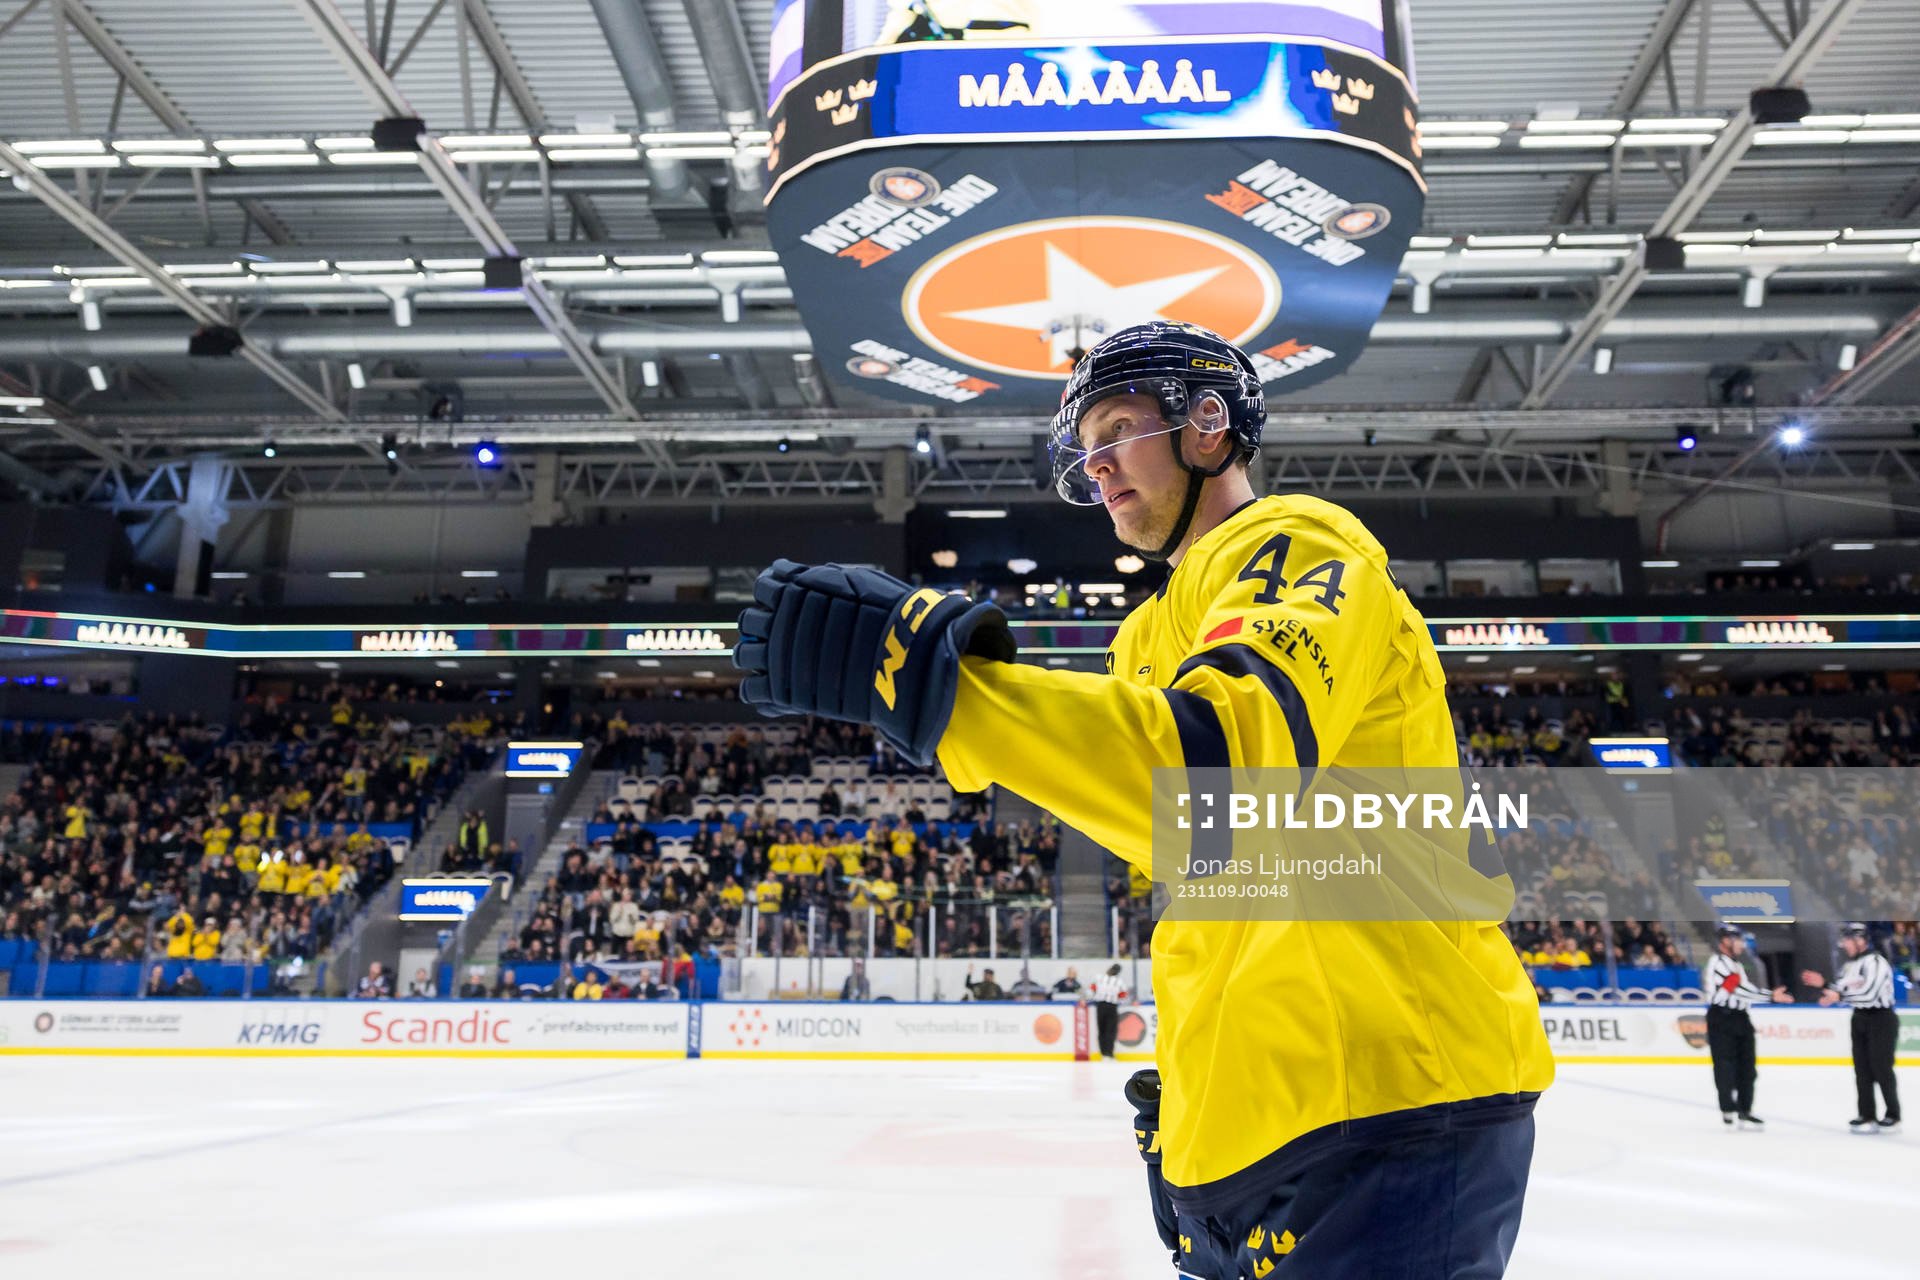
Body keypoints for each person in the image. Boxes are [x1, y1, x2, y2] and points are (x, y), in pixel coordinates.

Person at [731, 321, 1552, 1278]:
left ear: (1209, 423)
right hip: (1271, 1128)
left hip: (1396, 1100)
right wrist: (1211, 1083)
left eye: (1118, 429)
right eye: (1087, 450)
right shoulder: (1149, 634)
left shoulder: (1297, 542)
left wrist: (950, 692)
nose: (1101, 467)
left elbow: (1224, 782)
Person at [1803, 923, 1901, 1133]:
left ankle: (1893, 1115)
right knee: (1862, 1069)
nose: (1844, 945)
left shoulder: (1876, 962)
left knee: (1882, 1068)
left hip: (1880, 1018)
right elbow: (1842, 989)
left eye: (1847, 940)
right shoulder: (1850, 965)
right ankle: (1867, 1114)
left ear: (1860, 940)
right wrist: (1824, 985)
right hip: (1860, 1018)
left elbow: (1870, 994)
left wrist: (1839, 996)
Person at [1703, 924, 1790, 1128]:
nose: (1742, 945)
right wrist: (1770, 996)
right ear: (1726, 941)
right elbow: (1737, 989)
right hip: (1722, 1018)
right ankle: (1728, 1108)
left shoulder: (1737, 966)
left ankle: (1745, 1109)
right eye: (1738, 940)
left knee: (1747, 1066)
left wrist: (1769, 996)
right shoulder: (1718, 963)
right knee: (1725, 1065)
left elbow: (1746, 989)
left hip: (1741, 1017)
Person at [1088, 963, 1127, 1060]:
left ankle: (1103, 1053)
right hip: (1112, 1006)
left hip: (1100, 1006)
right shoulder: (1119, 981)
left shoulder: (1099, 978)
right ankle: (1109, 1053)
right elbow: (1123, 995)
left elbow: (1091, 989)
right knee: (1111, 1030)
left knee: (1102, 1030)